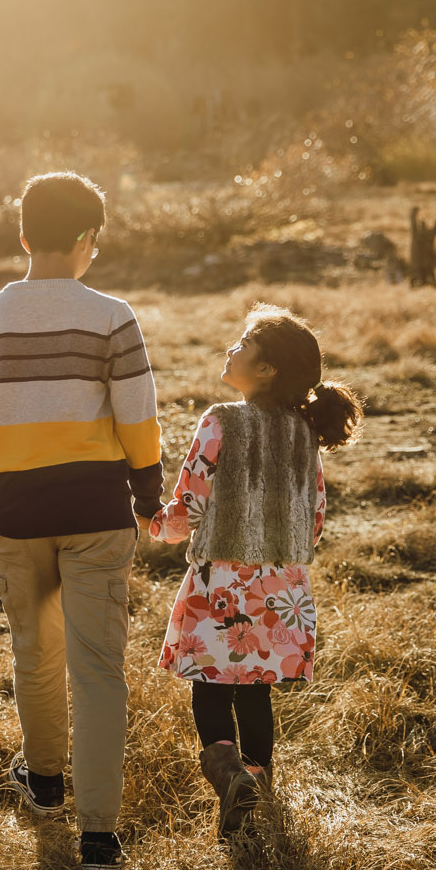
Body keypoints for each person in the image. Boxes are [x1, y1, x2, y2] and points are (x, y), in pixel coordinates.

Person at [0, 172, 163, 870]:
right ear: (85, 241)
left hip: (16, 509)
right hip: (96, 510)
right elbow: (136, 412)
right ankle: (99, 833)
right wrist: (147, 486)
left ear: (22, 237)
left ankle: (44, 782)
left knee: (34, 654)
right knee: (97, 668)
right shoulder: (113, 316)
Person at [147, 304, 363, 836]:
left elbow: (188, 508)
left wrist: (152, 524)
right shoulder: (303, 433)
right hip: (283, 585)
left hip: (222, 580)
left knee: (212, 685)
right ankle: (257, 784)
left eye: (243, 345)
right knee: (256, 690)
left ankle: (229, 777)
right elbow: (315, 517)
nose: (231, 350)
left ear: (266, 370)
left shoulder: (221, 420)